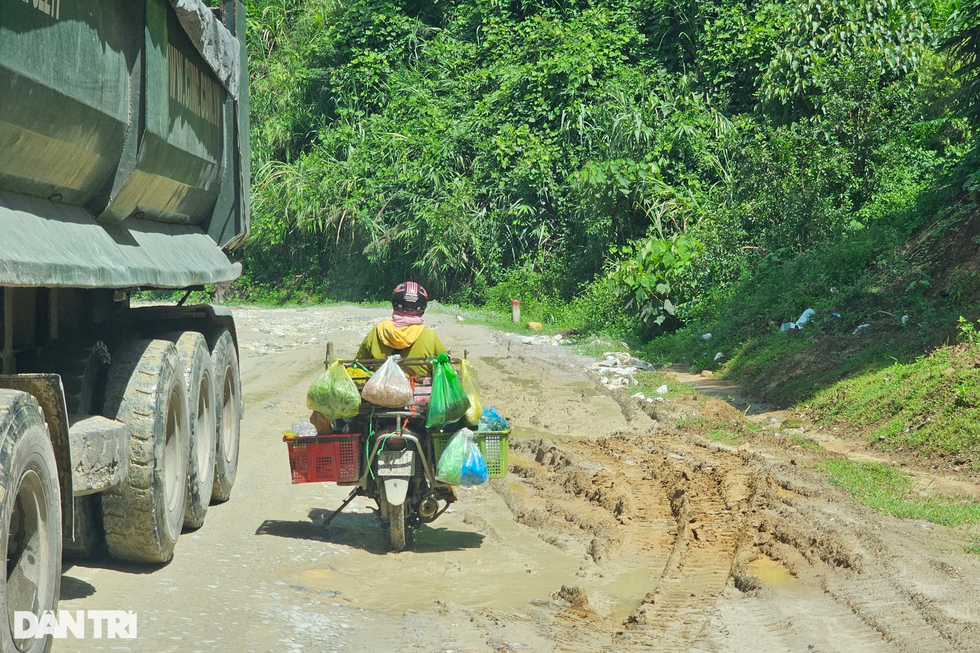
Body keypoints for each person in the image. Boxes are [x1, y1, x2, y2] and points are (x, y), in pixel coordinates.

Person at [355, 281, 447, 375]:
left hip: (381, 388)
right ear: (422, 308)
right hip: (416, 388)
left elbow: (358, 366)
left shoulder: (378, 331)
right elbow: (446, 368)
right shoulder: (430, 337)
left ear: (395, 304)